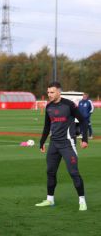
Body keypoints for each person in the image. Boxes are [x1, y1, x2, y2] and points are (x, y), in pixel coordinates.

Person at [36, 82, 89, 211]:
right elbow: (47, 126)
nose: (49, 94)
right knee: (50, 172)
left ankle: (82, 201)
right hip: (54, 144)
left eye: (52, 92)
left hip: (68, 144)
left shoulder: (69, 105)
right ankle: (50, 199)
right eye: (48, 92)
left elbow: (83, 121)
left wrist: (84, 139)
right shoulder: (48, 107)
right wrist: (42, 142)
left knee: (73, 172)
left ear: (59, 92)